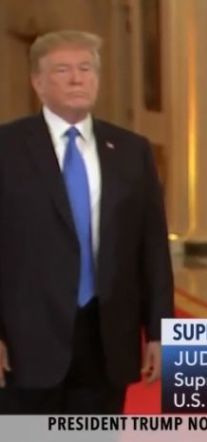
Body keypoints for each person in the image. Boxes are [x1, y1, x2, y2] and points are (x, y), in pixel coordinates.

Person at [0, 30, 173, 413]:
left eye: (86, 68)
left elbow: (152, 248)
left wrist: (161, 333)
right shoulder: (7, 148)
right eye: (63, 70)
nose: (77, 79)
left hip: (107, 339)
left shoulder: (131, 150)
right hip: (25, 343)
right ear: (37, 82)